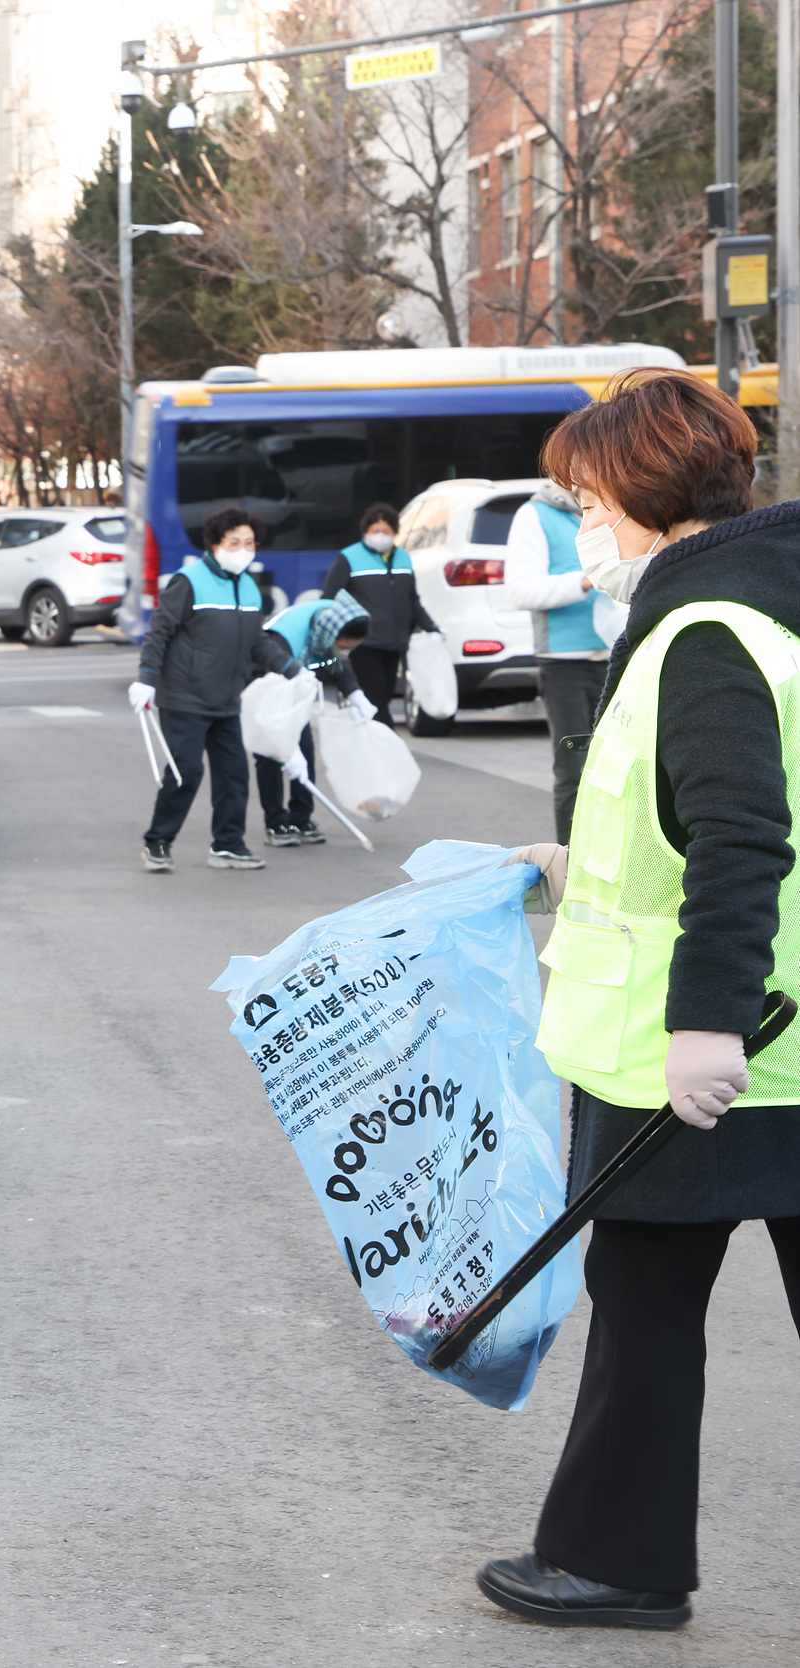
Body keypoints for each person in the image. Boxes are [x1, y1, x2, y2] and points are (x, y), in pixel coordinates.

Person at [476, 368, 798, 1632]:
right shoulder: (763, 609)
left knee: (647, 1309)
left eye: (588, 497)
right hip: (758, 1040)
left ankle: (617, 1562)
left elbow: (740, 838)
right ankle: (615, 1555)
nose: (582, 521)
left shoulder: (702, 630)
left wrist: (704, 1024)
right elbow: (694, 825)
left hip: (711, 1051)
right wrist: (571, 869)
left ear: (643, 493)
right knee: (645, 1301)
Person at [131, 506, 293, 872]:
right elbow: (160, 630)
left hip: (226, 698)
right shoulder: (188, 581)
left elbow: (258, 643)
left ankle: (228, 844)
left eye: (249, 542)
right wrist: (146, 679)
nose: (243, 549)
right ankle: (158, 841)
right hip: (185, 695)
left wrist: (292, 670)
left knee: (234, 774)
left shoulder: (249, 588)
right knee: (185, 771)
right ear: (216, 543)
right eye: (234, 541)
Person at [499, 482, 603, 839]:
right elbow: (520, 591)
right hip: (564, 664)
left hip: (621, 654)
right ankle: (571, 871)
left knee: (622, 770)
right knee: (574, 770)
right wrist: (585, 582)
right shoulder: (535, 514)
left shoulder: (615, 503)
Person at [252, 594, 369, 847]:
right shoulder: (284, 638)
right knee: (271, 755)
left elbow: (337, 660)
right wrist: (284, 743)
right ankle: (276, 822)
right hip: (264, 685)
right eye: (344, 645)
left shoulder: (334, 624)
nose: (345, 651)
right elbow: (271, 688)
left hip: (296, 689)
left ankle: (301, 817)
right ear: (330, 635)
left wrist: (355, 694)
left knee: (304, 752)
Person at [320, 502, 438, 725]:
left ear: (395, 532)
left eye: (386, 531)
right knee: (378, 704)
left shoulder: (403, 557)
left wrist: (433, 629)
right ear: (365, 532)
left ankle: (368, 748)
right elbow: (329, 597)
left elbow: (412, 600)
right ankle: (388, 748)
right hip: (365, 644)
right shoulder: (349, 557)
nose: (381, 536)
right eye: (375, 531)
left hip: (395, 643)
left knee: (383, 696)